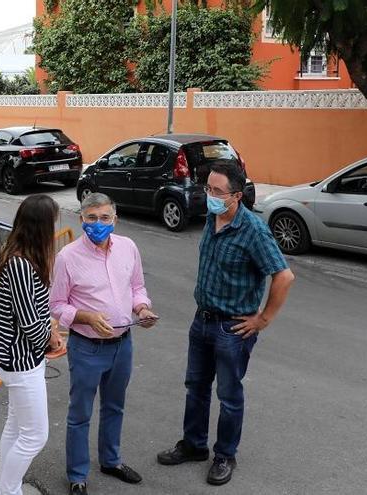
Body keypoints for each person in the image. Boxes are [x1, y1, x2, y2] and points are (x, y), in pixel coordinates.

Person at [156, 162, 295, 486]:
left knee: (229, 395)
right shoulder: (210, 218)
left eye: (217, 192)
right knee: (196, 388)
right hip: (201, 319)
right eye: (208, 189)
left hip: (232, 329)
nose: (210, 196)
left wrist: (263, 319)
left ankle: (225, 455)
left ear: (235, 196)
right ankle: (194, 445)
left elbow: (284, 276)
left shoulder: (253, 230)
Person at [49, 192, 158, 495]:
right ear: (81, 218)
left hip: (123, 344)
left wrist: (143, 309)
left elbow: (137, 287)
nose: (99, 223)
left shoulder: (128, 248)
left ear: (115, 219)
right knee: (80, 414)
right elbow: (56, 305)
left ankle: (111, 460)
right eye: (92, 218)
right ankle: (77, 475)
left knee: (115, 407)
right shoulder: (68, 257)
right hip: (87, 348)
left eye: (105, 218)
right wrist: (84, 316)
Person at [0, 194, 65, 495]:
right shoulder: (21, 263)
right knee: (35, 436)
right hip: (22, 360)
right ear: (41, 226)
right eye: (53, 223)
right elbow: (28, 320)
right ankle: (8, 491)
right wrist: (51, 340)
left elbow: (33, 311)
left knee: (16, 426)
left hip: (19, 357)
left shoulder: (19, 255)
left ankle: (7, 489)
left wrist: (48, 331)